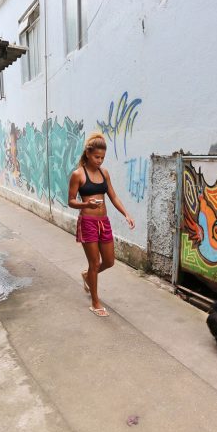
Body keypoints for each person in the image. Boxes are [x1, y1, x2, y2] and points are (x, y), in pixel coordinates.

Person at [68, 133, 135, 317]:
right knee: (94, 263)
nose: (99, 161)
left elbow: (113, 196)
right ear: (88, 154)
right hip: (87, 222)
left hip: (103, 222)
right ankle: (95, 302)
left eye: (102, 158)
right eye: (97, 157)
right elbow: (71, 201)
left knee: (109, 261)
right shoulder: (78, 174)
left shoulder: (104, 173)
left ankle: (87, 275)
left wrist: (126, 214)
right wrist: (86, 204)